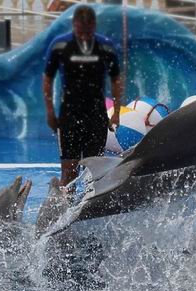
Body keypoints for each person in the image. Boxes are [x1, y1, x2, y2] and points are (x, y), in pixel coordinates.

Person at [43, 5, 123, 190]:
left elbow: (116, 80)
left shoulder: (105, 46)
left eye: (89, 30)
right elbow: (47, 78)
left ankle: (88, 214)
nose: (85, 35)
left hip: (96, 115)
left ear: (94, 25)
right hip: (69, 116)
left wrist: (116, 112)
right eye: (81, 30)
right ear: (74, 25)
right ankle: (64, 212)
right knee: (69, 172)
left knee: (95, 172)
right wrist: (49, 112)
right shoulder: (60, 45)